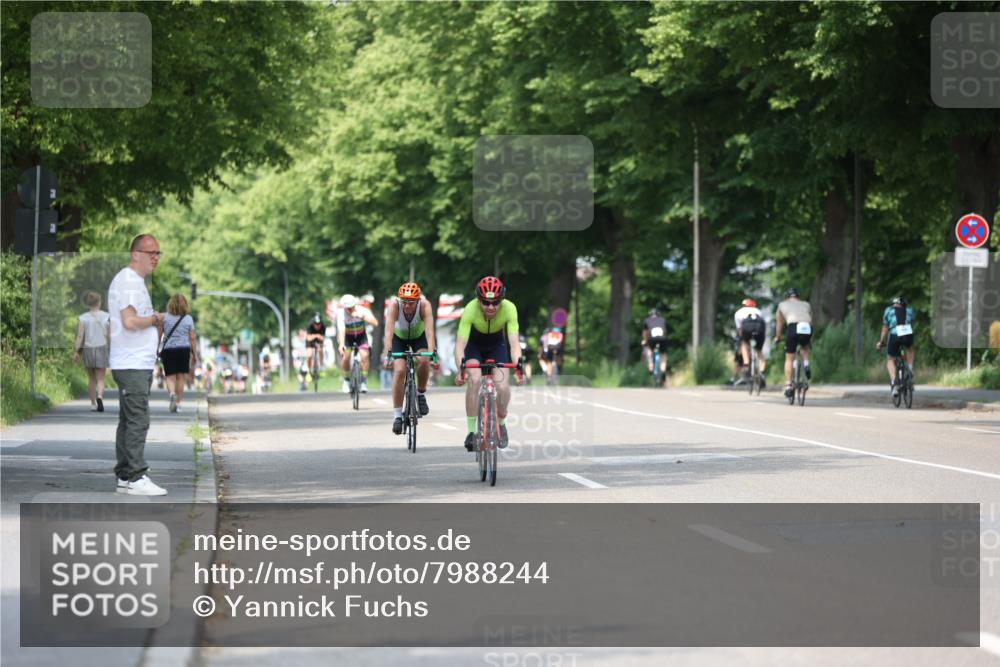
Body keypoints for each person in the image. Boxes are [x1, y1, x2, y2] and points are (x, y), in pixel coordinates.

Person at [107, 234, 167, 496]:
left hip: (133, 361)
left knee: (128, 419)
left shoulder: (132, 281)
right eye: (150, 252)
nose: (155, 257)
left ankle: (124, 476)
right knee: (138, 419)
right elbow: (130, 322)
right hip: (131, 362)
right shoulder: (130, 281)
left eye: (158, 253)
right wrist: (155, 319)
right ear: (135, 254)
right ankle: (136, 477)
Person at [454, 276, 525, 451]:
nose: (491, 307)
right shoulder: (470, 310)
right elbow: (460, 345)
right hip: (474, 346)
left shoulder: (509, 309)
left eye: (496, 302)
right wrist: (461, 369)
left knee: (502, 386)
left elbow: (514, 343)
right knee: (475, 379)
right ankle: (471, 432)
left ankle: (501, 421)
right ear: (479, 300)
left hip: (496, 345)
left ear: (502, 300)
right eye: (486, 302)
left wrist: (518, 366)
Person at [382, 282, 437, 434]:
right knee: (399, 371)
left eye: (411, 302)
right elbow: (388, 332)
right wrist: (387, 354)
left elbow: (430, 332)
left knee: (424, 361)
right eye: (404, 302)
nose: (407, 306)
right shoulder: (394, 306)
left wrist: (432, 353)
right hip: (399, 339)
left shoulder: (425, 305)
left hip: (418, 338)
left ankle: (420, 394)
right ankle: (398, 416)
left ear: (418, 300)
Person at [73, 291, 110, 412]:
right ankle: (100, 396)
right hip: (102, 348)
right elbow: (110, 335)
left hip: (88, 349)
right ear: (99, 302)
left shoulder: (83, 318)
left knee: (91, 379)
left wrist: (77, 351)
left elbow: (80, 337)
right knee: (100, 379)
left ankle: (93, 403)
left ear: (89, 303)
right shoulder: (106, 316)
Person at [160, 293, 197, 413]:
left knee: (170, 377)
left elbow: (160, 334)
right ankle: (178, 403)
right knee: (181, 378)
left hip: (168, 350)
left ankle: (172, 394)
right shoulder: (188, 319)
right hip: (183, 350)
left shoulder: (164, 317)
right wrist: (194, 354)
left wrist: (156, 348)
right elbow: (192, 338)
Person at [774, 288, 813, 399]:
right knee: (804, 347)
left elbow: (779, 324)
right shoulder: (806, 304)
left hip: (793, 326)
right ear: (798, 297)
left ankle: (789, 386)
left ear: (787, 297)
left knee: (789, 358)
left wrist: (777, 337)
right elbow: (810, 319)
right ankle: (806, 363)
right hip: (807, 327)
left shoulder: (782, 305)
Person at [337, 294, 378, 394]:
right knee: (345, 357)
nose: (350, 310)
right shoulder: (341, 314)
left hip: (361, 337)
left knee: (365, 356)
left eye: (352, 307)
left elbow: (375, 323)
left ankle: (363, 381)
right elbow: (341, 330)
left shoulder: (362, 310)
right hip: (348, 338)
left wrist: (362, 317)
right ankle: (346, 380)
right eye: (348, 308)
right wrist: (341, 344)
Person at [876, 296, 916, 398]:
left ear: (893, 304)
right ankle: (910, 368)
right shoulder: (909, 310)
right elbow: (910, 320)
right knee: (909, 349)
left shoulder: (889, 311)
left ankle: (894, 384)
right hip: (907, 332)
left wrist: (881, 342)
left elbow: (885, 328)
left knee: (890, 358)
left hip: (894, 333)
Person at [734, 298, 766, 386]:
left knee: (743, 343)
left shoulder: (738, 313)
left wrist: (743, 339)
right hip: (759, 329)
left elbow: (739, 330)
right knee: (759, 351)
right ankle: (762, 372)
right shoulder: (758, 311)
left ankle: (746, 363)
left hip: (747, 327)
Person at [641, 308, 669, 381]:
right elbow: (665, 330)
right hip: (662, 338)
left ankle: (651, 366)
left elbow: (645, 333)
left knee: (649, 350)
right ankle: (663, 370)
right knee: (663, 354)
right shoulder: (662, 320)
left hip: (652, 339)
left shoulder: (647, 320)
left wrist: (644, 340)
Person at [305, 313, 327, 377]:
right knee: (309, 355)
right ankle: (309, 370)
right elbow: (308, 338)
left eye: (318, 324)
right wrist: (316, 335)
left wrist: (319, 337)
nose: (317, 326)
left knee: (320, 350)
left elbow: (323, 338)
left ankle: (321, 367)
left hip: (318, 340)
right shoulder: (310, 325)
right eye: (316, 324)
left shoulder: (323, 326)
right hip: (310, 340)